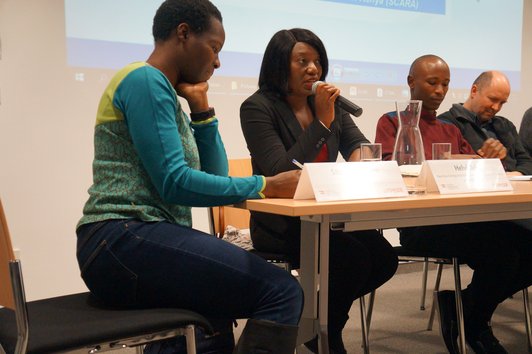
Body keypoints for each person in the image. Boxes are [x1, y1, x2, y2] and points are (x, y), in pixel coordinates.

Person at [75, 1, 305, 354]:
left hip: (132, 240)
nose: (217, 61)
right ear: (183, 33)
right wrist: (264, 184)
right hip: (120, 237)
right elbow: (175, 182)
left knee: (211, 317)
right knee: (282, 290)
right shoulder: (145, 80)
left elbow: (214, 178)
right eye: (214, 48)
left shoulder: (164, 93)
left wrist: (201, 109)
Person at [240, 28, 398, 354]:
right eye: (302, 61)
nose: (314, 70)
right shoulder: (257, 108)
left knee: (384, 258)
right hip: (283, 224)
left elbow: (359, 148)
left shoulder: (330, 106)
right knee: (351, 260)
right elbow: (279, 171)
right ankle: (324, 331)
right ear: (279, 65)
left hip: (330, 217)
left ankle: (320, 323)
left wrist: (363, 159)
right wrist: (322, 125)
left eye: (317, 62)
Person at [376, 54, 532, 354]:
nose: (440, 90)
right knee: (503, 254)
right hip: (420, 224)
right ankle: (474, 321)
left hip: (461, 219)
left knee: (526, 244)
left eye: (445, 84)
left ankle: (467, 309)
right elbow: (389, 168)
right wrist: (454, 161)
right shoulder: (393, 121)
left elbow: (468, 170)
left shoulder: (450, 130)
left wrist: (486, 158)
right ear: (411, 82)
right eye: (432, 82)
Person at [438, 71, 532, 176]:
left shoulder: (506, 125)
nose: (496, 108)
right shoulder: (446, 124)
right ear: (474, 91)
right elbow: (447, 167)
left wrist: (515, 175)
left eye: (502, 103)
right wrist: (483, 160)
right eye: (493, 99)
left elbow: (527, 162)